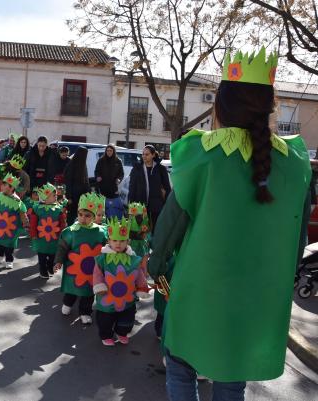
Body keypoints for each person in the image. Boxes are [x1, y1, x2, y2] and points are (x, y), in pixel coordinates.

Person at [148, 47, 311, 400]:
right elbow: (296, 237)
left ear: (220, 106)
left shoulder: (203, 155)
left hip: (198, 290)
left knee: (180, 366)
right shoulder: (296, 163)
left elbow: (170, 225)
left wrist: (156, 266)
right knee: (232, 377)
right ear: (269, 107)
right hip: (256, 295)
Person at [92, 217, 149, 346]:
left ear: (128, 241)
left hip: (127, 298)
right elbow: (97, 273)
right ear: (109, 241)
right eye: (115, 240)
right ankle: (106, 334)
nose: (118, 243)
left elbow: (138, 274)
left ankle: (121, 332)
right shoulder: (103, 258)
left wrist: (141, 287)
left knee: (127, 318)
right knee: (105, 319)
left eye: (122, 240)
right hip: (107, 296)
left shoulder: (133, 258)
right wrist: (99, 285)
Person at [53, 193, 106, 325]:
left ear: (94, 217)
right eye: (80, 214)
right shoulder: (71, 231)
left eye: (87, 216)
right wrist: (58, 261)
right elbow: (62, 247)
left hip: (92, 271)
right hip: (75, 270)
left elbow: (107, 248)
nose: (83, 218)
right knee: (73, 289)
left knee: (88, 293)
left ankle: (85, 312)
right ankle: (67, 303)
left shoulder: (101, 232)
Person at [128, 144, 171, 232]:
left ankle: (154, 244)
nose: (144, 156)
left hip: (156, 204)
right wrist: (130, 203)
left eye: (147, 154)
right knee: (140, 229)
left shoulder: (160, 169)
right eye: (143, 154)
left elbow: (167, 187)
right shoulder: (137, 168)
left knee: (156, 228)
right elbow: (132, 187)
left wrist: (167, 202)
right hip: (140, 203)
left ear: (153, 155)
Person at [29, 184, 67, 278]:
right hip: (41, 238)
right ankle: (43, 271)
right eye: (53, 195)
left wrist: (63, 234)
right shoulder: (37, 208)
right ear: (45, 197)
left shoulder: (58, 209)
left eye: (56, 195)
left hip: (54, 238)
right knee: (42, 256)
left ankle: (50, 268)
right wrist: (33, 234)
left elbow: (62, 223)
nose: (56, 197)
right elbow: (33, 223)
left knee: (52, 255)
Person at [63, 146, 91, 225]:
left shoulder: (83, 165)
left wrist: (88, 193)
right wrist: (69, 197)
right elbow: (68, 182)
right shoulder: (72, 165)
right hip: (73, 196)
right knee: (71, 215)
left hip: (81, 196)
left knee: (79, 214)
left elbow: (86, 180)